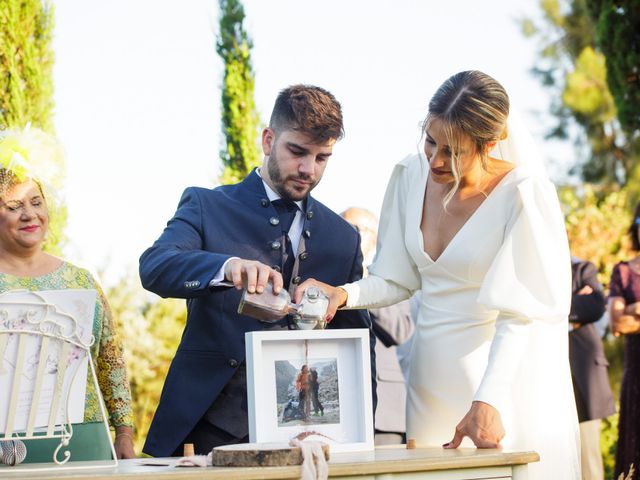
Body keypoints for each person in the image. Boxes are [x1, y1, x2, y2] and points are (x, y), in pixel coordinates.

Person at [296, 70, 580, 479]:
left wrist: (491, 398)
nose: (437, 160)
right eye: (431, 141)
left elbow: (521, 314)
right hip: (428, 378)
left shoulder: (523, 192)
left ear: (491, 143)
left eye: (456, 151)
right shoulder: (409, 175)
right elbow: (396, 278)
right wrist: (343, 294)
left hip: (496, 383)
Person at [139, 84, 374, 457]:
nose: (307, 169)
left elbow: (361, 344)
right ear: (268, 140)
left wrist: (364, 435)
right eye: (296, 151)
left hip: (309, 438)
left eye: (321, 158)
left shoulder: (343, 238)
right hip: (206, 429)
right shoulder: (206, 205)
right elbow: (155, 266)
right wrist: (227, 266)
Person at [0, 128, 135, 460]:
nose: (30, 214)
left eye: (36, 202)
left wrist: (124, 434)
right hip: (7, 443)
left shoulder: (80, 280)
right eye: (14, 206)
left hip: (84, 435)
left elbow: (110, 358)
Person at [341, 207, 414, 445]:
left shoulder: (390, 279)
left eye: (357, 229)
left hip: (385, 412)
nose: (349, 234)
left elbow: (400, 330)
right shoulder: (326, 280)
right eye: (343, 228)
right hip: (339, 407)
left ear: (374, 237)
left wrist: (361, 287)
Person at [569, 257, 615, 480]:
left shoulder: (582, 268)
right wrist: (573, 303)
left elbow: (594, 306)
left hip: (582, 372)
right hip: (543, 374)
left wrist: (552, 314)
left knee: (588, 456)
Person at [608, 202, 640, 480]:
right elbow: (617, 323)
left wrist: (633, 307)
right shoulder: (623, 271)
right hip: (637, 375)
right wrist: (631, 312)